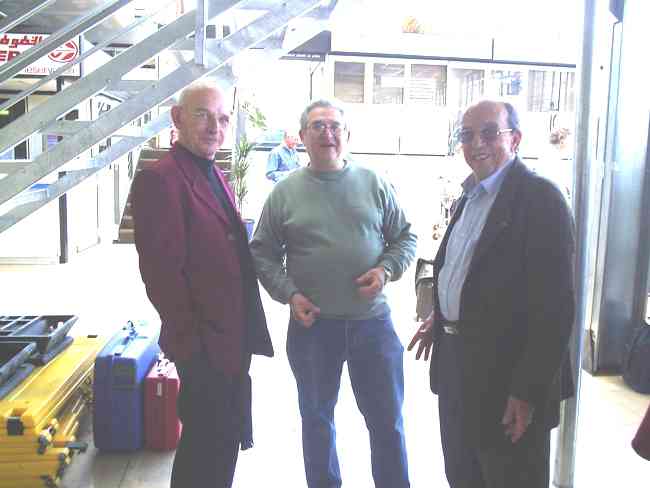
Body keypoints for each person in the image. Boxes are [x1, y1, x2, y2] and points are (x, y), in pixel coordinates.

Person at [408, 100, 575, 488]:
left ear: (515, 139)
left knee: (510, 477)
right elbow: (467, 271)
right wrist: (442, 315)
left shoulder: (540, 199)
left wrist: (527, 392)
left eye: (489, 132)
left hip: (507, 380)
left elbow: (554, 308)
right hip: (458, 368)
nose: (476, 143)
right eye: (467, 135)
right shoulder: (469, 196)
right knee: (463, 473)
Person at [251, 99, 416, 488]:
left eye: (335, 126)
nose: (328, 133)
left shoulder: (374, 183)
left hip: (372, 326)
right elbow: (262, 252)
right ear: (302, 137)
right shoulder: (285, 192)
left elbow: (404, 238)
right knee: (316, 419)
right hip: (314, 328)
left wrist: (385, 270)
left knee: (387, 421)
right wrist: (289, 294)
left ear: (347, 135)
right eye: (318, 126)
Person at [132, 81, 273, 488]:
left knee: (223, 439)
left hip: (229, 338)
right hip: (204, 345)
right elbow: (162, 276)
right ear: (177, 118)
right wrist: (195, 348)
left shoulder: (211, 172)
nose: (215, 127)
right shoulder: (162, 179)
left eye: (223, 119)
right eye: (203, 115)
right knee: (204, 445)